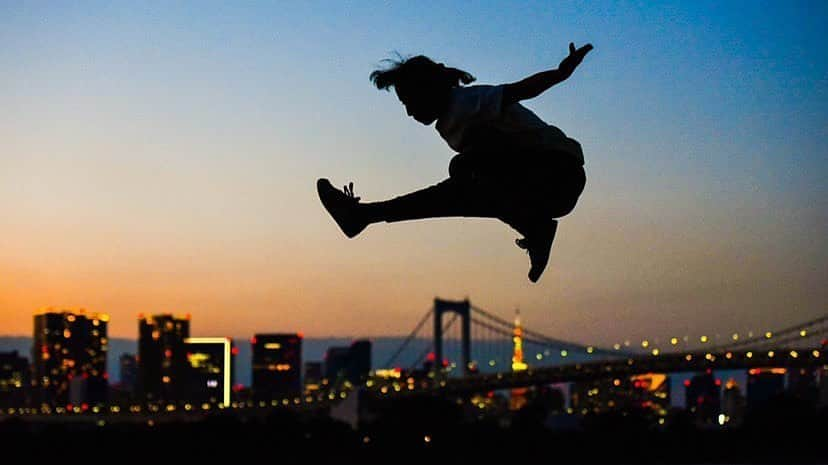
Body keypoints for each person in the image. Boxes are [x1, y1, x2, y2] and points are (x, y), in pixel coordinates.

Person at [317, 42, 593, 282]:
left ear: (430, 90)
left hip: (557, 172)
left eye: (411, 101)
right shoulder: (450, 120)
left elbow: (518, 90)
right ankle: (365, 216)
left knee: (464, 171)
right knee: (465, 186)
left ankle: (536, 228)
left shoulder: (468, 100)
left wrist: (561, 73)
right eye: (404, 105)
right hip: (538, 188)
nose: (409, 111)